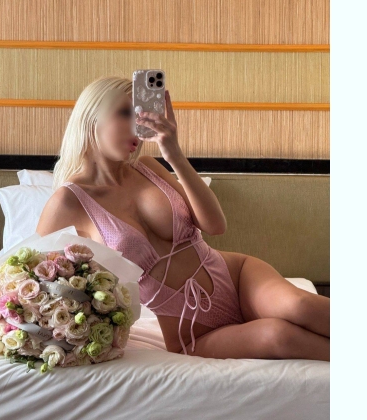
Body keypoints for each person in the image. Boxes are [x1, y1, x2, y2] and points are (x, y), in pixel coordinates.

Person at [37, 76, 330, 361]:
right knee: (278, 335)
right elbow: (35, 281)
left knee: (300, 306)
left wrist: (174, 153)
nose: (136, 127)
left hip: (237, 278)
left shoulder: (148, 167)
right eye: (125, 113)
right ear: (91, 116)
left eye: (140, 116)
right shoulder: (69, 201)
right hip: (190, 331)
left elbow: (216, 226)